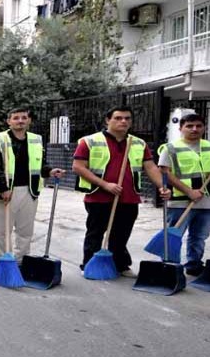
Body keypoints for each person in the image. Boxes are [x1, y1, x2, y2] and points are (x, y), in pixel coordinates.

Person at [72, 106, 168, 277]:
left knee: (121, 234)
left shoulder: (138, 143)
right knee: (95, 232)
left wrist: (162, 185)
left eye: (127, 118)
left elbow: (150, 167)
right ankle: (89, 264)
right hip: (98, 196)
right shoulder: (90, 141)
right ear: (108, 120)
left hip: (129, 197)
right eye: (118, 118)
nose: (123, 121)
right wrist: (105, 184)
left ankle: (120, 264)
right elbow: (78, 167)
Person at [0, 108, 65, 260]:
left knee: (25, 231)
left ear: (29, 120)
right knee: (3, 232)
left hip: (29, 191)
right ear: (9, 121)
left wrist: (50, 171)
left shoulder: (36, 139)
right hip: (5, 193)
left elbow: (40, 164)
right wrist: (4, 188)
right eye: (16, 118)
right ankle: (5, 262)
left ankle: (21, 262)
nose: (20, 121)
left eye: (24, 117)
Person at [158, 113, 210, 276]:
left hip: (209, 202)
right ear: (181, 128)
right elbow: (166, 173)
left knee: (199, 237)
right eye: (189, 126)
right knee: (174, 234)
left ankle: (194, 264)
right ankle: (169, 265)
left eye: (198, 126)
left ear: (204, 128)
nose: (194, 129)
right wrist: (189, 191)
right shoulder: (170, 149)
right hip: (181, 202)